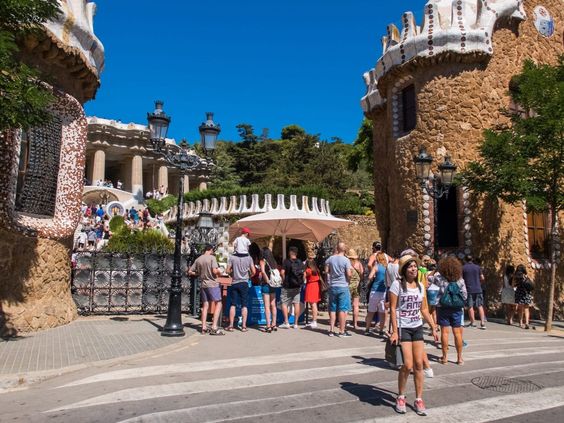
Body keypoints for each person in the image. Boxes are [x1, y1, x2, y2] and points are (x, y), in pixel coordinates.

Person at [389, 255, 438, 416]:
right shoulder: (397, 285)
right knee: (407, 365)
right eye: (410, 267)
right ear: (404, 270)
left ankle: (418, 398)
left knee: (419, 365)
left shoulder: (420, 286)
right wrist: (395, 331)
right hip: (403, 328)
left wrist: (433, 326)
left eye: (415, 267)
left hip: (416, 326)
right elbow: (394, 309)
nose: (413, 269)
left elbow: (424, 309)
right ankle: (401, 396)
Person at [434, 256, 467, 365]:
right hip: (457, 309)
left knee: (444, 332)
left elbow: (435, 292)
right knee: (457, 333)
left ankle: (445, 357)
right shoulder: (460, 280)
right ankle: (459, 358)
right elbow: (465, 296)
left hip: (443, 308)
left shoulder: (440, 279)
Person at [189, 244, 224, 335]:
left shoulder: (198, 259)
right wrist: (220, 271)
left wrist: (198, 273)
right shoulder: (212, 258)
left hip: (203, 284)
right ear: (210, 250)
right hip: (213, 284)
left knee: (205, 305)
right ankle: (214, 326)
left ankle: (203, 327)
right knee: (219, 303)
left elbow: (190, 271)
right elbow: (214, 271)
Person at [325, 242, 353, 337]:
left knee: (332, 309)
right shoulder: (346, 260)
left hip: (333, 286)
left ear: (337, 248)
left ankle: (331, 330)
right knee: (342, 309)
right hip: (342, 286)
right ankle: (341, 331)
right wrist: (348, 280)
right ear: (344, 249)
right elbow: (349, 274)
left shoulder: (330, 259)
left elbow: (326, 271)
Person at [226, 251, 255, 332]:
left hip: (235, 282)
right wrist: (248, 276)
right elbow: (254, 271)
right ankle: (244, 326)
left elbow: (227, 271)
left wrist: (232, 273)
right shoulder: (249, 258)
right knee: (244, 305)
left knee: (233, 304)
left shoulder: (232, 257)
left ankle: (231, 325)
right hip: (244, 283)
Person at [280, 247, 304, 329]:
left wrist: (283, 280)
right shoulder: (300, 262)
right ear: (296, 253)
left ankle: (286, 322)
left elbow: (282, 272)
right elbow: (303, 274)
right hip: (297, 286)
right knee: (296, 304)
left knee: (284, 303)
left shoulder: (286, 262)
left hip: (287, 286)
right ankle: (296, 323)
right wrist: (301, 282)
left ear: (290, 252)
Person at [366, 251, 388, 336]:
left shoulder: (376, 266)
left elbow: (370, 276)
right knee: (382, 312)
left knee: (371, 311)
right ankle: (381, 330)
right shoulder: (387, 267)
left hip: (375, 290)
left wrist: (373, 278)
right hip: (384, 291)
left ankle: (367, 329)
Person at [462, 255, 486, 329]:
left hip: (469, 289)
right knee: (480, 305)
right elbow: (482, 277)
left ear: (465, 260)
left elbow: (461, 279)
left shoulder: (463, 268)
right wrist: (479, 283)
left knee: (470, 306)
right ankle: (482, 322)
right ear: (472, 259)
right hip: (478, 288)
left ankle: (473, 322)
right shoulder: (477, 267)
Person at [260, 247, 279, 332]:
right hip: (274, 285)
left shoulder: (263, 261)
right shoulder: (273, 261)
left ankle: (268, 325)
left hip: (266, 284)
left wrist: (267, 280)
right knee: (273, 305)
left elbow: (263, 272)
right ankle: (274, 324)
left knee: (267, 306)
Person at [304, 254, 322, 328]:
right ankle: (314, 320)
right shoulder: (316, 269)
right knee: (314, 303)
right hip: (316, 285)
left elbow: (303, 277)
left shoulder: (308, 270)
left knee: (313, 304)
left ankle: (314, 321)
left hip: (311, 285)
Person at [347, 249, 363, 330]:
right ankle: (355, 324)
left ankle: (342, 322)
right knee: (356, 305)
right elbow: (362, 273)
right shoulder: (359, 263)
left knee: (346, 304)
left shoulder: (347, 264)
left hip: (349, 285)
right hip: (357, 285)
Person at [514, 265, 534, 329]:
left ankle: (520, 323)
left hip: (520, 293)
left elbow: (513, 285)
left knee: (520, 309)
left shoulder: (516, 275)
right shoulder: (526, 275)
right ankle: (527, 323)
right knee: (526, 308)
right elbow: (531, 283)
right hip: (527, 293)